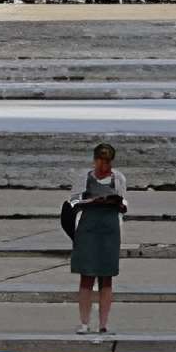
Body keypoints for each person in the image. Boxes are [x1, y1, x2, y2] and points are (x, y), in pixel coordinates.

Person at [67, 143, 126, 335]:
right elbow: (72, 201)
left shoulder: (118, 178)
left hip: (109, 229)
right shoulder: (84, 178)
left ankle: (103, 324)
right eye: (101, 160)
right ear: (95, 160)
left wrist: (119, 204)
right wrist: (89, 201)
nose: (103, 165)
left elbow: (123, 200)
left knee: (106, 277)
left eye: (107, 161)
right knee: (87, 276)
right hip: (88, 227)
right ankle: (84, 323)